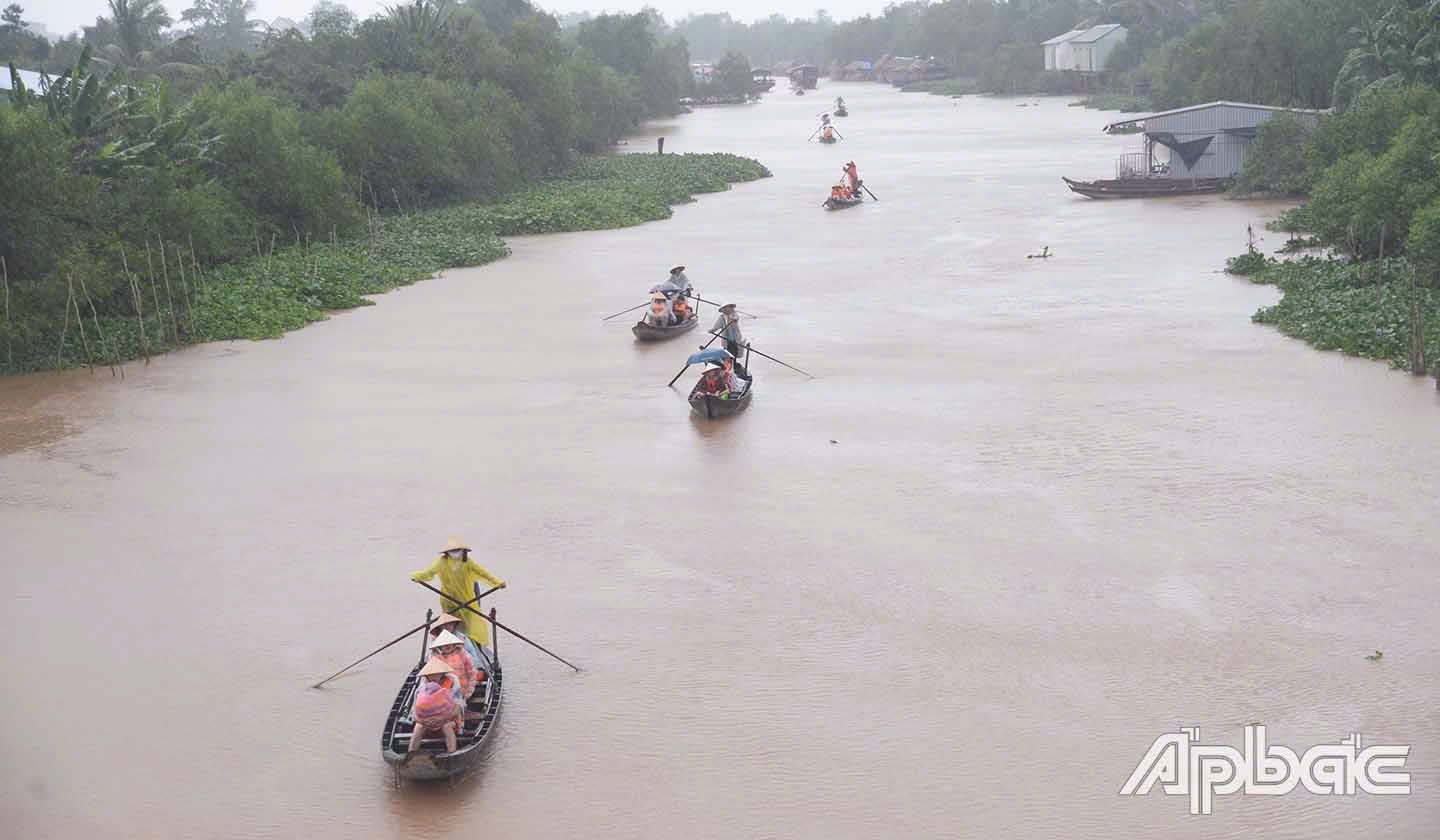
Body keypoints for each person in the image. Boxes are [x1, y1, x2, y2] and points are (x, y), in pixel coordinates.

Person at [411, 538, 506, 647]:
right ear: (447, 552)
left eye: (458, 550)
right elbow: (428, 573)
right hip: (449, 601)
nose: (456, 553)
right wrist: (417, 577)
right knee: (451, 626)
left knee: (472, 627)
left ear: (463, 551)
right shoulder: (441, 562)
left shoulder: (468, 562)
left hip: (467, 600)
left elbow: (484, 573)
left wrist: (497, 583)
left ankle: (472, 648)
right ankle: (450, 648)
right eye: (453, 550)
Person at [408, 657, 464, 755]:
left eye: (436, 673)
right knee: (418, 727)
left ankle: (451, 754)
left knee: (446, 727)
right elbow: (415, 712)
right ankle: (411, 754)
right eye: (430, 674)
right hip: (427, 721)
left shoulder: (452, 682)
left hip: (449, 719)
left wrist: (442, 718)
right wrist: (423, 720)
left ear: (442, 673)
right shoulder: (422, 688)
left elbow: (458, 708)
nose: (433, 676)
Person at [429, 629, 477, 698]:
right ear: (440, 646)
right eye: (444, 644)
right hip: (442, 693)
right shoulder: (436, 658)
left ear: (454, 644)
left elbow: (472, 673)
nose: (447, 646)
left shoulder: (462, 654)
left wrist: (469, 691)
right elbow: (431, 678)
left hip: (462, 691)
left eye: (449, 643)